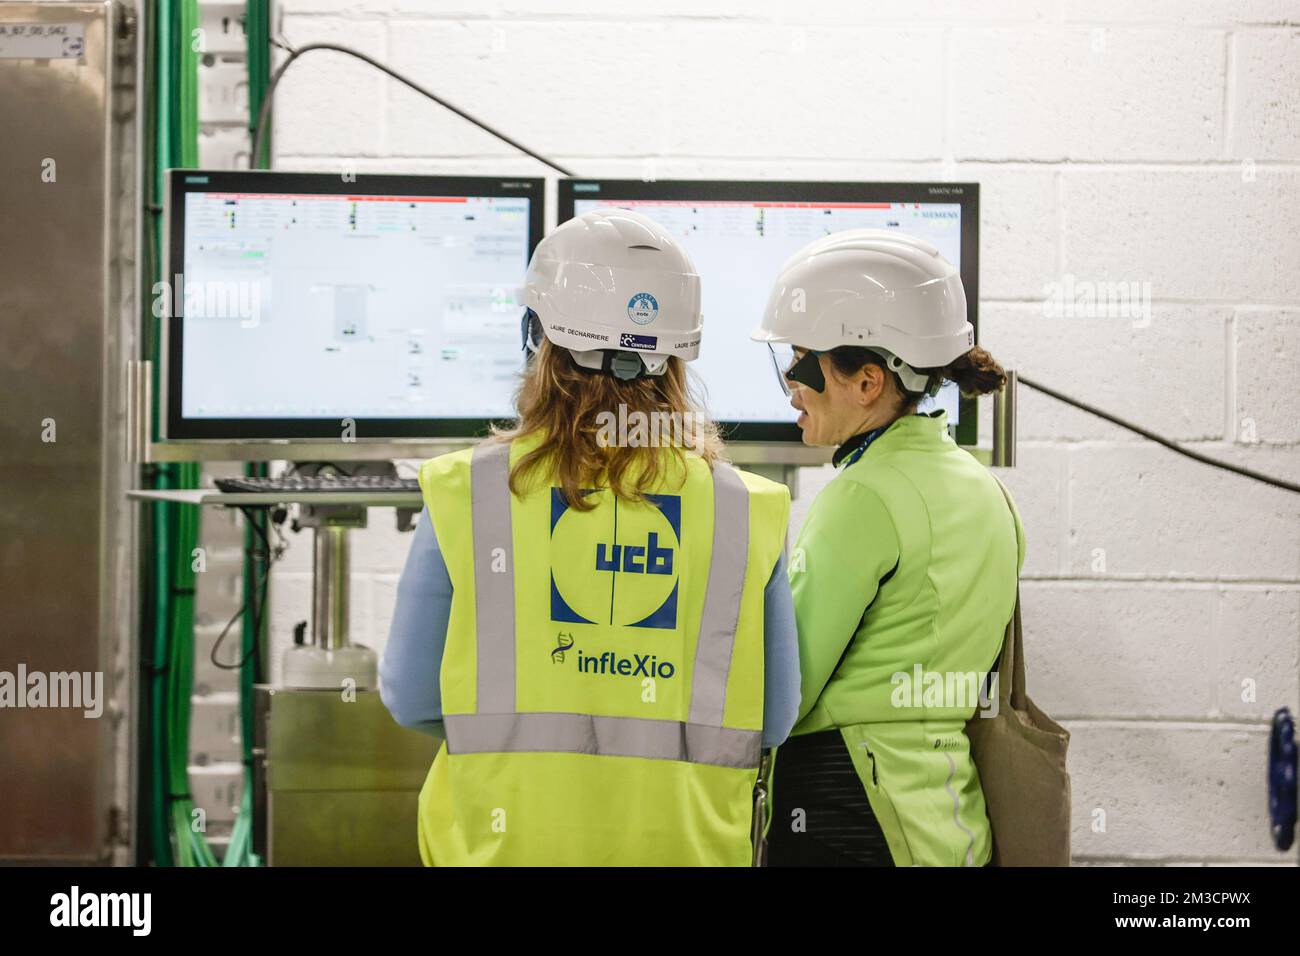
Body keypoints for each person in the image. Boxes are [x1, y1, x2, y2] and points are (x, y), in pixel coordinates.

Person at [380, 208, 799, 866]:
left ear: (536, 338)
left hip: (502, 847)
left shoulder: (467, 491)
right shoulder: (748, 509)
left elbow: (410, 697)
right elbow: (771, 722)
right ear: (677, 359)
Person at [752, 230, 1023, 867]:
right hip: (950, 823)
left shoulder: (864, 498)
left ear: (869, 381)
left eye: (801, 363)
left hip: (852, 813)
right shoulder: (987, 493)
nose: (791, 384)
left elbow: (785, 693)